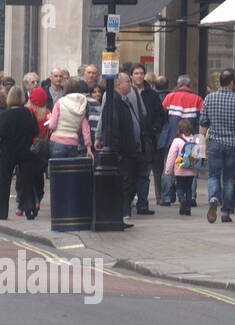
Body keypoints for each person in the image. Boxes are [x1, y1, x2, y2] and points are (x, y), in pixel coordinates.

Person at [199, 68, 235, 224]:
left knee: (213, 175)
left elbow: (203, 124)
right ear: (232, 83)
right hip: (233, 144)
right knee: (229, 178)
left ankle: (214, 197)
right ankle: (225, 212)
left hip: (214, 142)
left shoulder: (209, 99)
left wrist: (201, 144)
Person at [97, 73, 143, 227]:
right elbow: (112, 127)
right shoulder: (113, 100)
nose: (130, 84)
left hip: (129, 150)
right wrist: (116, 151)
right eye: (127, 81)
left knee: (129, 183)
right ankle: (121, 215)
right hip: (121, 152)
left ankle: (122, 214)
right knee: (123, 184)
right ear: (118, 85)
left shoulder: (124, 99)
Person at [125, 63, 165, 215]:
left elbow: (160, 114)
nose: (139, 76)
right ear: (131, 75)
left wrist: (155, 129)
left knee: (144, 174)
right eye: (136, 73)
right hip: (132, 139)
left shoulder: (152, 94)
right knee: (130, 174)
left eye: (141, 73)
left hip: (147, 139)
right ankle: (128, 202)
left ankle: (143, 204)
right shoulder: (127, 92)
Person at [0, 87, 39, 220]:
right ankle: (29, 210)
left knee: (4, 181)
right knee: (27, 182)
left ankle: (2, 212)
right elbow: (36, 131)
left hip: (7, 152)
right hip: (25, 151)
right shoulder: (29, 114)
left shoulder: (4, 115)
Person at [164, 119, 202, 215]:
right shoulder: (196, 139)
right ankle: (188, 207)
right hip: (192, 169)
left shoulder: (177, 140)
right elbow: (200, 155)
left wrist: (168, 170)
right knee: (188, 188)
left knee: (179, 187)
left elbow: (171, 156)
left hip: (180, 169)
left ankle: (182, 200)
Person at [47, 78, 91, 158]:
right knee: (69, 169)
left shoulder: (60, 102)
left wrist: (50, 118)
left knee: (57, 169)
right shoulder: (82, 105)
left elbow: (52, 126)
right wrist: (88, 148)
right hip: (73, 143)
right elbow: (86, 129)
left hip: (57, 141)